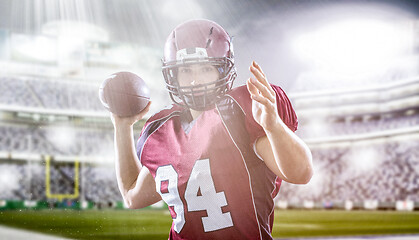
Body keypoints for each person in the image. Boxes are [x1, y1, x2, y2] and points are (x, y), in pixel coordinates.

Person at [111, 19, 313, 240]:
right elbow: (132, 196)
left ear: (222, 70)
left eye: (206, 69)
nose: (195, 81)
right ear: (173, 75)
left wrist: (274, 127)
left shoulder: (240, 111)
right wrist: (122, 126)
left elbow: (301, 173)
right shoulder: (161, 129)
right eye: (186, 70)